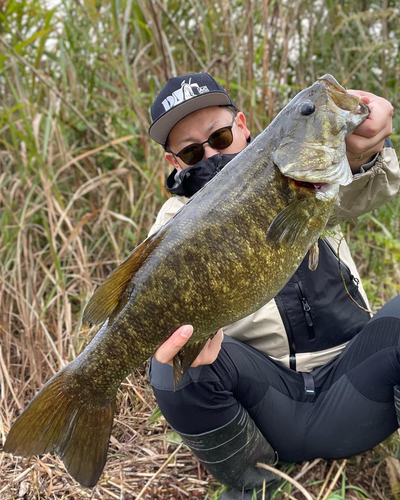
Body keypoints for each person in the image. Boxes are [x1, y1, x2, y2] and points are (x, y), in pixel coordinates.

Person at [146, 73, 400, 499]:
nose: (210, 154)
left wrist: (363, 151)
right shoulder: (174, 225)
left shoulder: (300, 171)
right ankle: (254, 484)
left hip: (357, 382)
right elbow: (155, 303)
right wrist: (178, 344)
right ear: (176, 163)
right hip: (271, 407)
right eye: (191, 150)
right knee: (171, 363)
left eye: (221, 136)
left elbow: (362, 186)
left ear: (243, 126)